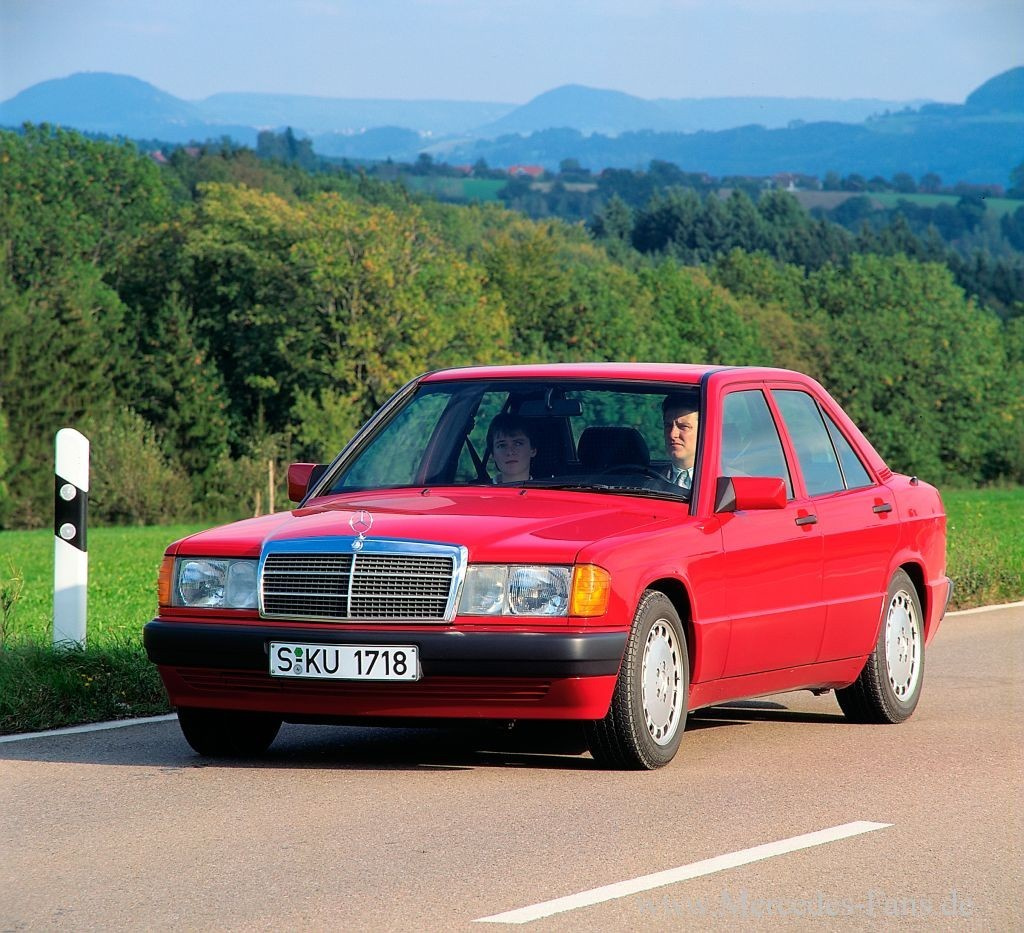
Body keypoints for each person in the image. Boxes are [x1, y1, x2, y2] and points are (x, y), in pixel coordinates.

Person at [486, 413, 537, 484]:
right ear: (492, 454)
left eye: (518, 443)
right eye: (502, 445)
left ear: (533, 450)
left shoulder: (547, 492)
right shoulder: (477, 493)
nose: (510, 452)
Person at [662, 393, 699, 490]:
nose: (672, 434)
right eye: (668, 426)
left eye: (683, 427)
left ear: (703, 430)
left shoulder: (725, 484)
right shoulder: (645, 483)